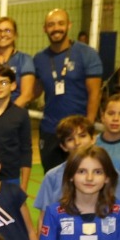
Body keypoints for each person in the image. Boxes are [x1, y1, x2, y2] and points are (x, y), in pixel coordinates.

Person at [30, 9, 104, 174]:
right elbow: (33, 92)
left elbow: (94, 93)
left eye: (60, 23)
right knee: (53, 177)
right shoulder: (40, 59)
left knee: (80, 177)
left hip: (77, 133)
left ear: (69, 25)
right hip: (50, 130)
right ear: (44, 28)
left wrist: (88, 128)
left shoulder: (87, 54)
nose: (56, 28)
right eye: (51, 24)